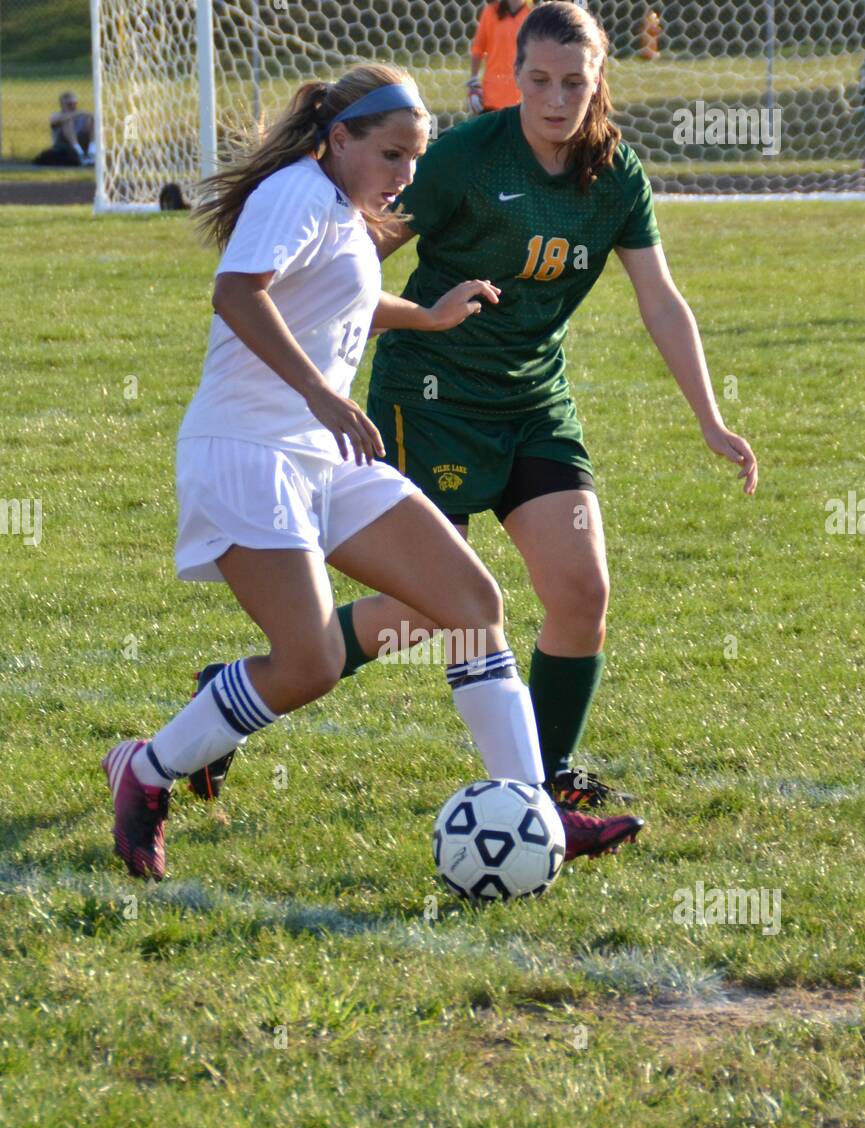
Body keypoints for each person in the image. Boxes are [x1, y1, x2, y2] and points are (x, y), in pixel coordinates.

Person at [194, 2, 757, 820]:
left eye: (574, 80)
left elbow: (660, 301)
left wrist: (708, 416)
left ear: (598, 79)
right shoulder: (456, 157)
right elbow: (346, 267)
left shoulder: (615, 175)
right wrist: (321, 372)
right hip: (431, 397)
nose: (556, 98)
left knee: (580, 593)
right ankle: (238, 693)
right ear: (511, 76)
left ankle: (548, 784)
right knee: (433, 608)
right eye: (537, 80)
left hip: (533, 401)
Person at [102, 62, 643, 881]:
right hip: (249, 455)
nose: (407, 176)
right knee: (309, 663)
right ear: (338, 138)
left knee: (469, 601)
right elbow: (238, 294)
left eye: (416, 159)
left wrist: (423, 315)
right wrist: (321, 395)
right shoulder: (294, 192)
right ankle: (146, 771)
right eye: (392, 156)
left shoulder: (346, 207)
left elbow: (341, 297)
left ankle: (534, 810)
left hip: (324, 454)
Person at [467, 0, 532, 114]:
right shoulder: (491, 12)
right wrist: (474, 86)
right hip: (491, 97)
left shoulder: (533, 14)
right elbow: (477, 49)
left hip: (523, 97)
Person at [34, 92, 95, 166]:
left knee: (91, 119)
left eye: (74, 103)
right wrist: (79, 113)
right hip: (64, 148)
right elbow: (57, 121)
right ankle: (79, 153)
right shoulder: (57, 115)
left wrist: (88, 116)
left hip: (83, 144)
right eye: (69, 104)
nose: (73, 106)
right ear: (62, 105)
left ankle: (92, 153)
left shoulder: (82, 115)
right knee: (67, 122)